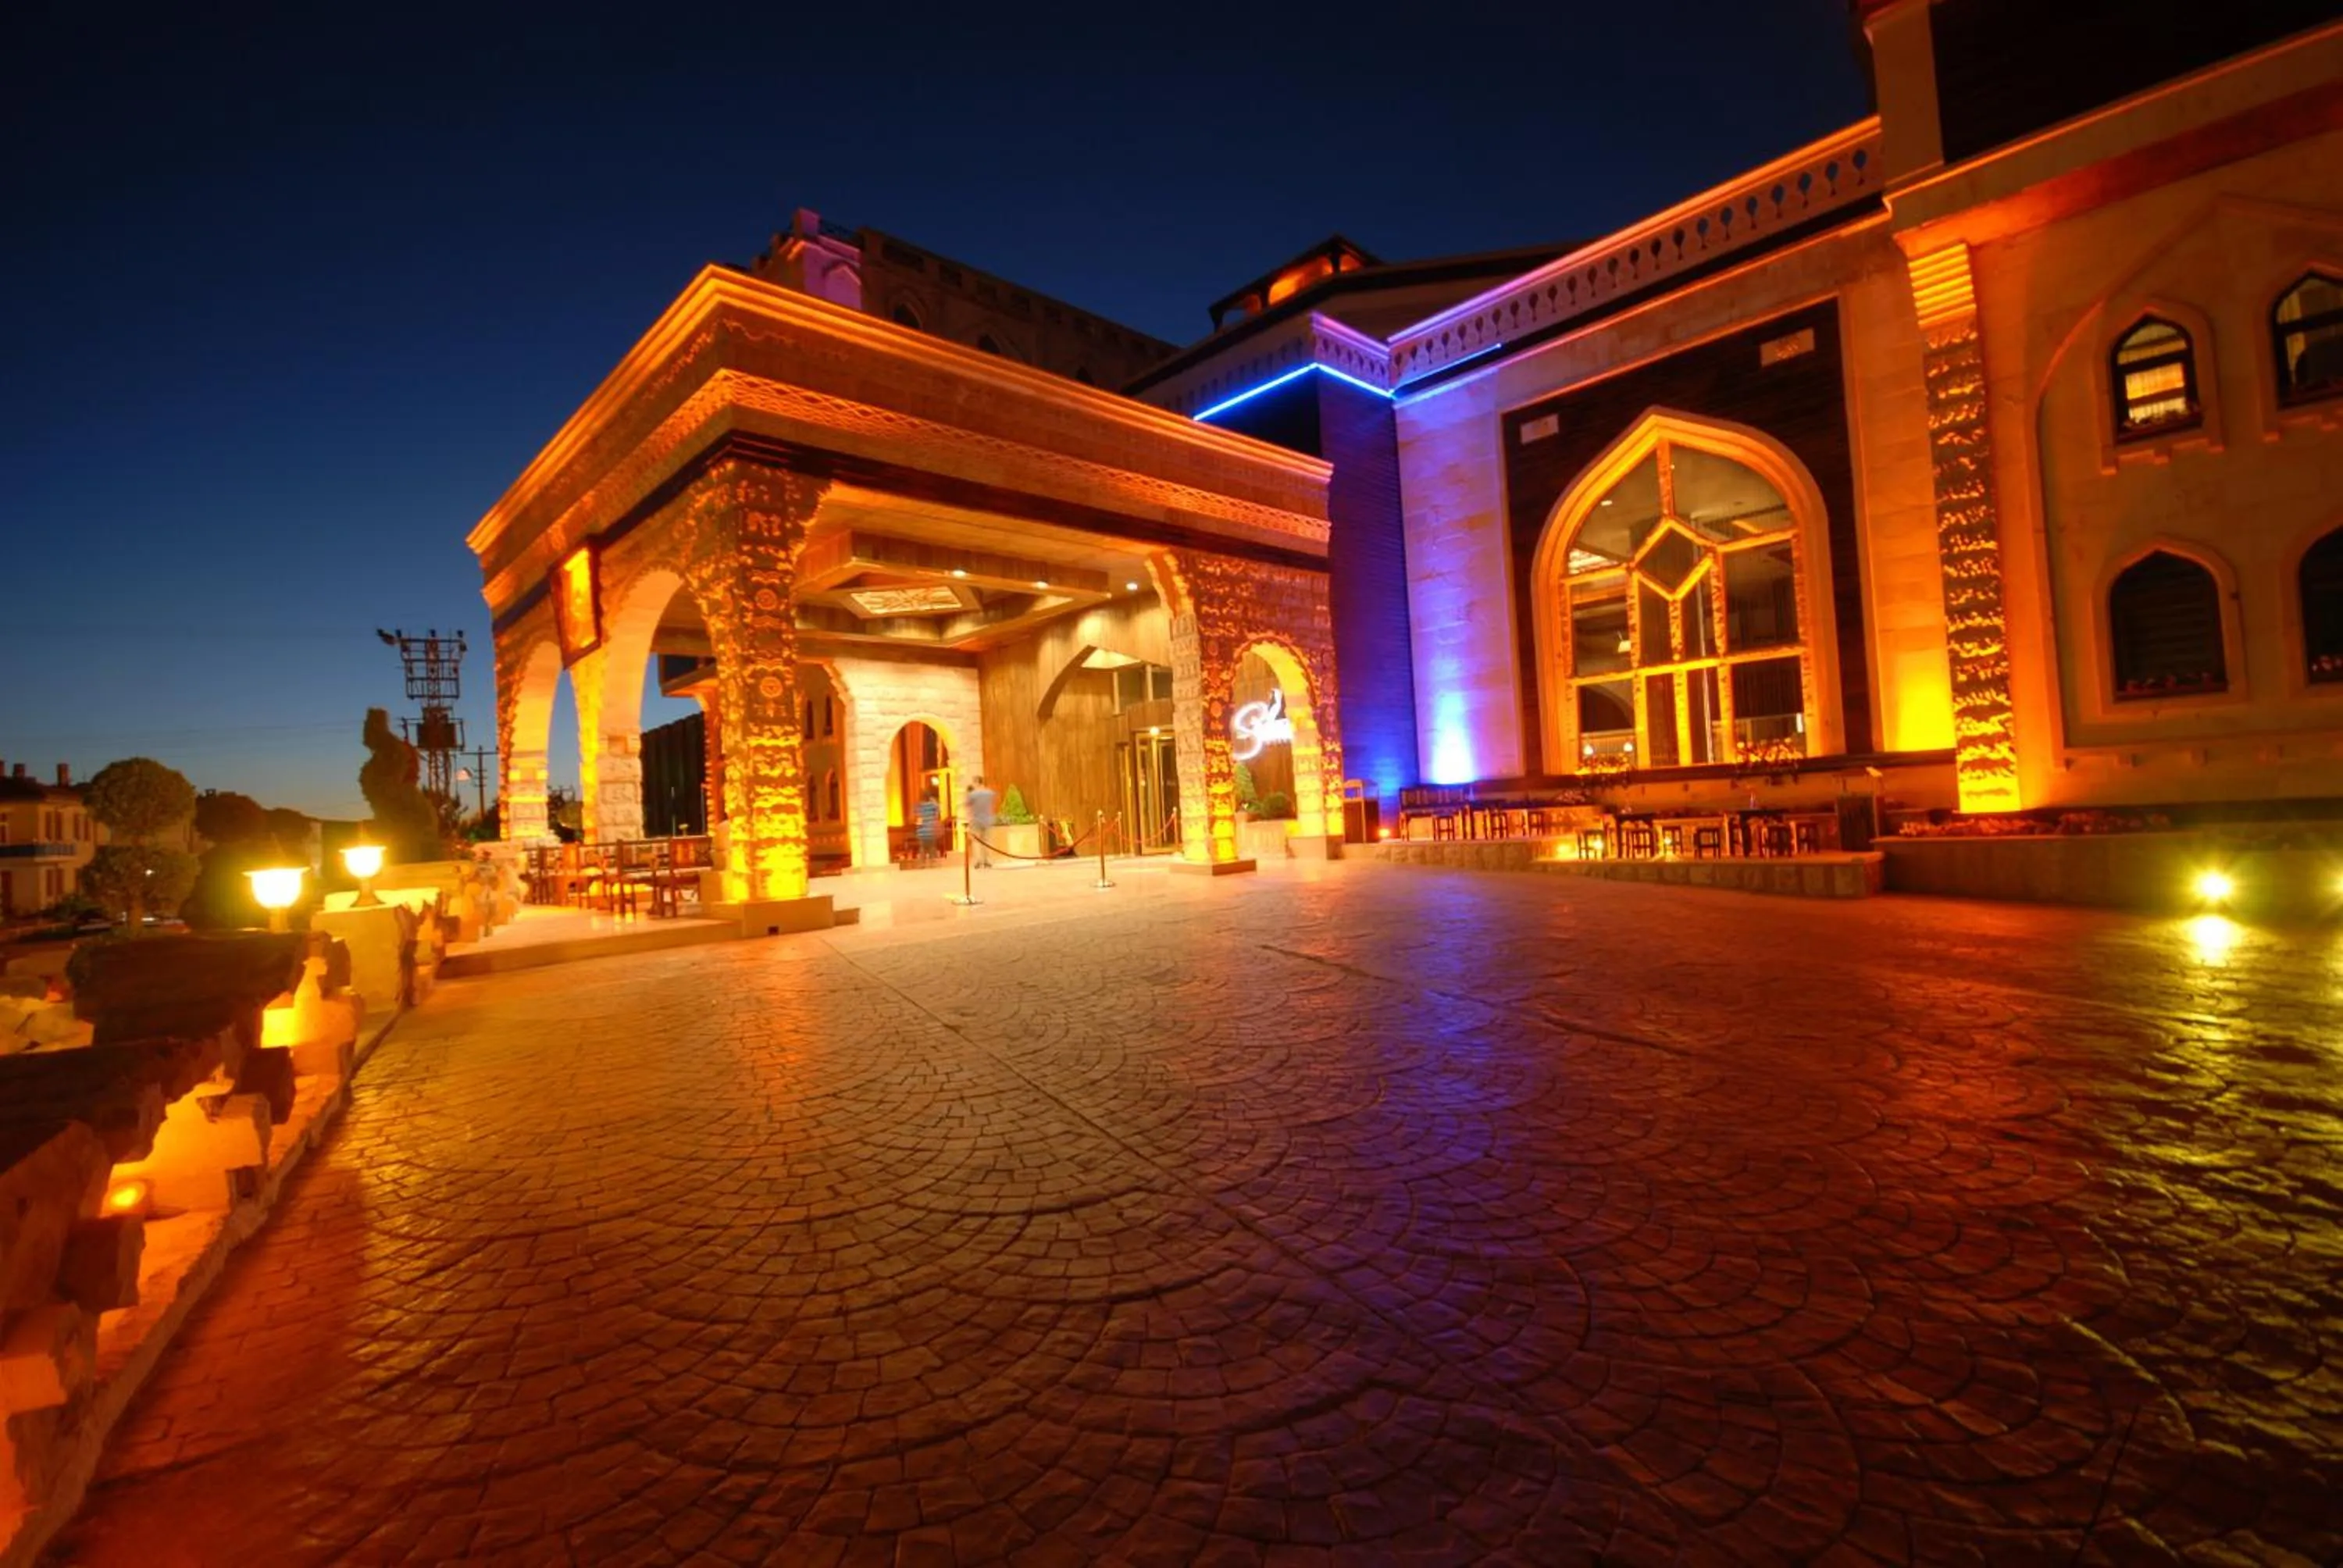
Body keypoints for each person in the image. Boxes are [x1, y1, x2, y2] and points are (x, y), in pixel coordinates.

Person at [966, 776, 998, 868]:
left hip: (976, 821)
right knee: (987, 841)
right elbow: (993, 804)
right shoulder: (989, 793)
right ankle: (987, 860)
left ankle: (978, 861)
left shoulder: (972, 795)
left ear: (976, 782)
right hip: (988, 820)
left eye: (973, 782)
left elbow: (968, 806)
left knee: (976, 842)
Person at [913, 790, 940, 866]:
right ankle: (932, 862)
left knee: (922, 847)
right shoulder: (932, 805)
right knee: (932, 846)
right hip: (931, 829)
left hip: (922, 830)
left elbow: (916, 814)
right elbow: (938, 809)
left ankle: (922, 863)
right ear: (929, 797)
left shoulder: (919, 806)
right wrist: (933, 801)